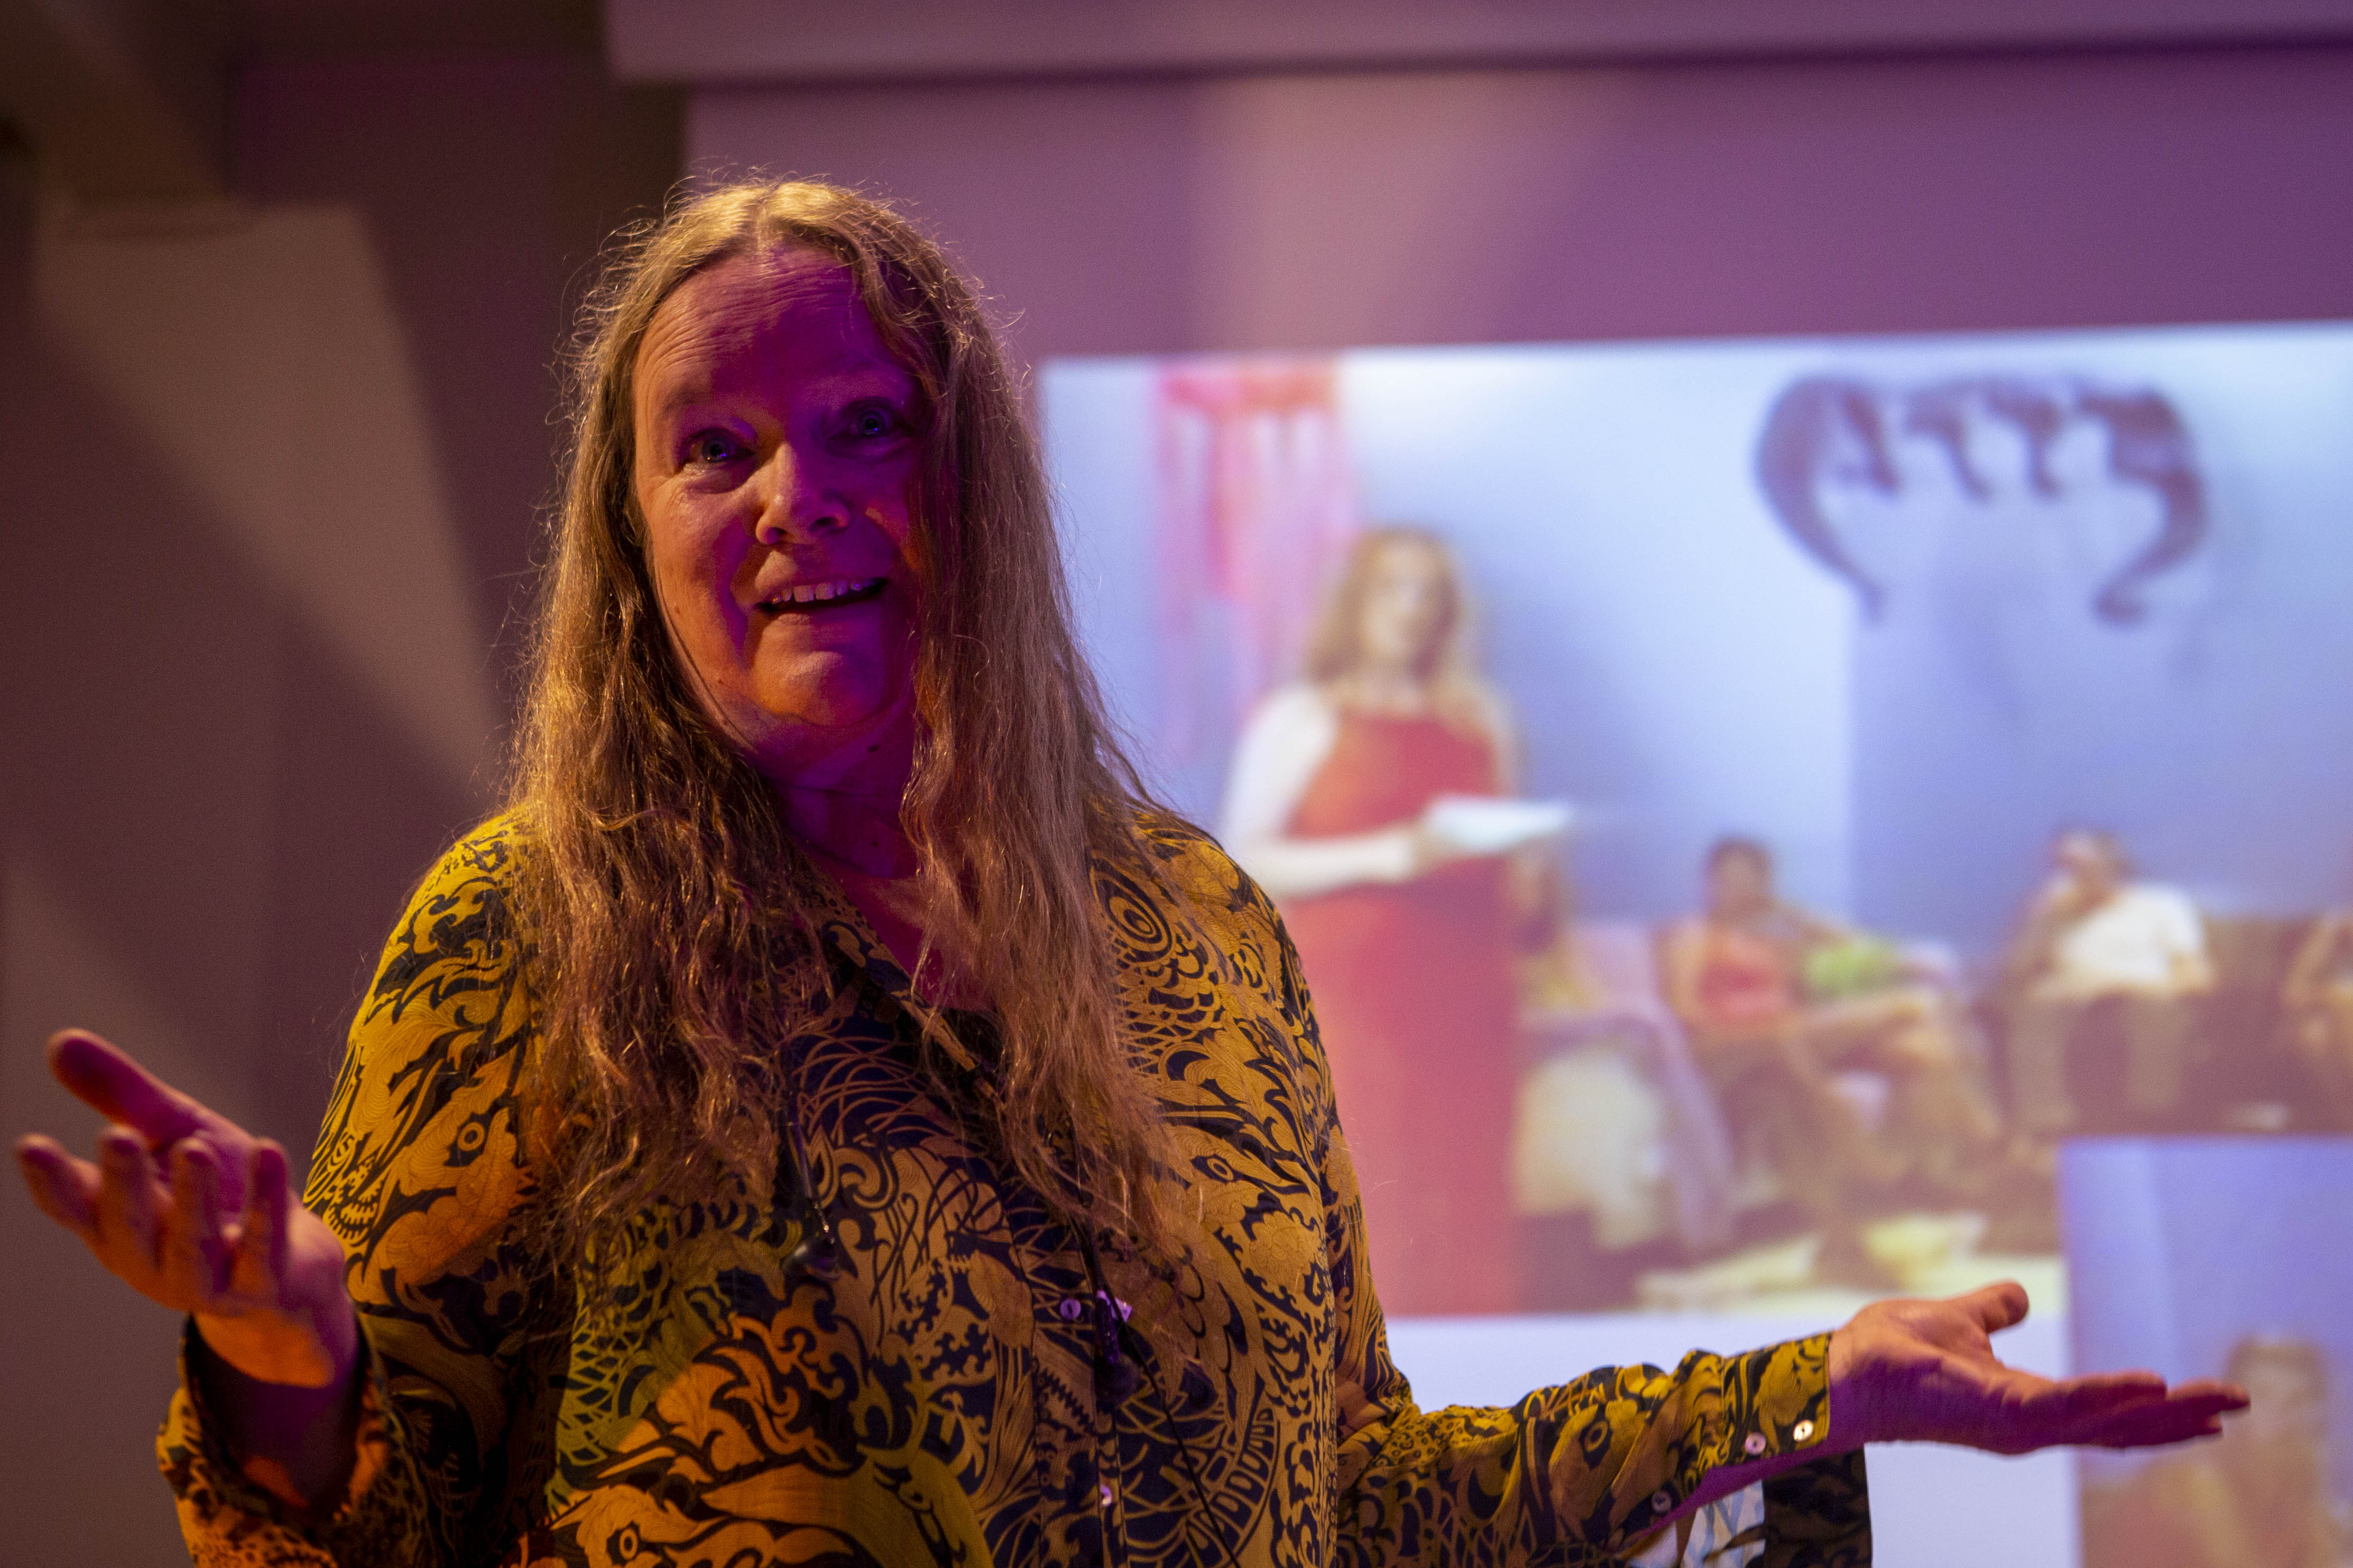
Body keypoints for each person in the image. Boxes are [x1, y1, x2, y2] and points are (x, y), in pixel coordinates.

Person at [15, 180, 2242, 1568]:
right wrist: (283, 1350)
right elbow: (358, 1527)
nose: (795, 494)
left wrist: (1809, 1384)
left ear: (975, 484)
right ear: (634, 540)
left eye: (865, 423)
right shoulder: (528, 928)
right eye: (715, 448)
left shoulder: (1194, 929)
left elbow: (1355, 1498)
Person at [1219, 526, 1539, 1316]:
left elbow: (1514, 864)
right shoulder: (1301, 718)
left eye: (1429, 591)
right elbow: (1241, 860)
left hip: (1466, 999)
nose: (1410, 607)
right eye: (1392, 586)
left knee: (1463, 1199)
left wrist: (1527, 870)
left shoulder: (1480, 718)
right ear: (1355, 599)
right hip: (1348, 1002)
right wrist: (1392, 854)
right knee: (1366, 1199)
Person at [1661, 838, 2003, 1283]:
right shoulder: (1694, 934)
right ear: (1709, 882)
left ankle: (1965, 1159)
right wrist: (1754, 1035)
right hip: (1737, 1046)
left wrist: (1789, 911)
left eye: (1749, 878)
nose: (1737, 888)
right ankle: (1980, 1147)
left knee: (1922, 1049)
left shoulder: (1770, 939)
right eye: (1727, 878)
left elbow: (1859, 947)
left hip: (1791, 1041)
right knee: (1914, 1003)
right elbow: (1686, 1015)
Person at [1999, 829, 2214, 1139]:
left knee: (2156, 1009)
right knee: (2035, 1009)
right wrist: (2037, 918)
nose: (2074, 874)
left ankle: (2150, 1119)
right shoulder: (2055, 916)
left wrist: (2128, 985)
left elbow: (2196, 975)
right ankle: (2047, 1128)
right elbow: (2017, 976)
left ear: (2112, 862)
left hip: (2142, 992)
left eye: (2082, 864)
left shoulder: (2161, 904)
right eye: (2065, 866)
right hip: (2074, 999)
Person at [2083, 1336, 2350, 1568]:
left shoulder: (2303, 1497)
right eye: (2264, 1396)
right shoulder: (2186, 1484)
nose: (2282, 1417)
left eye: (2299, 1401)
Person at [2281, 868, 2353, 1130]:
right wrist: (2331, 995)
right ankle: (2345, 1124)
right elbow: (2293, 992)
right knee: (2314, 1034)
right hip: (2337, 1019)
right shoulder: (2334, 923)